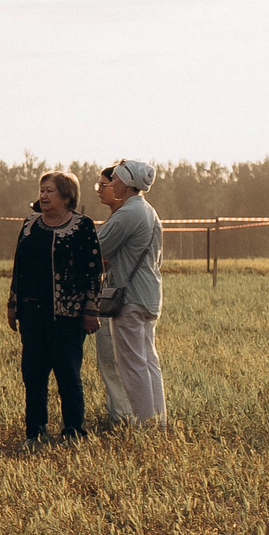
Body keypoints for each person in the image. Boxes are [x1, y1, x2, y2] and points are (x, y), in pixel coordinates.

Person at [6, 170, 101, 443]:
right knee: (33, 375)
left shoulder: (82, 226)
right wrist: (12, 303)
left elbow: (94, 271)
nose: (44, 196)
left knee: (68, 374)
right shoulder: (30, 224)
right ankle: (35, 432)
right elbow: (18, 266)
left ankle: (74, 431)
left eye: (50, 191)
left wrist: (91, 309)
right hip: (32, 313)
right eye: (42, 190)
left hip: (68, 316)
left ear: (67, 196)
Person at [92, 159, 168, 426]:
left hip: (130, 298)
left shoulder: (128, 213)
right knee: (148, 361)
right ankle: (158, 422)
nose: (111, 183)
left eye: (115, 179)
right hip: (149, 295)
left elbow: (98, 247)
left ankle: (145, 423)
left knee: (132, 364)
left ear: (126, 183)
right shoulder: (149, 211)